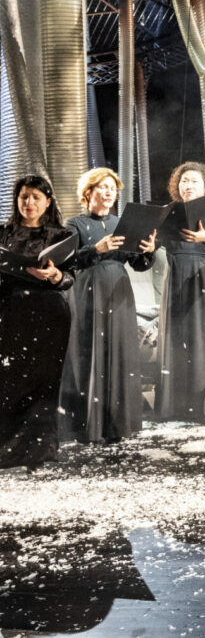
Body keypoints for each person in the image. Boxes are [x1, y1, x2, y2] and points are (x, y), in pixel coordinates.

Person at [60, 167, 156, 443]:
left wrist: (147, 251)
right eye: (102, 187)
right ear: (88, 192)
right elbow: (68, 260)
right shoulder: (74, 224)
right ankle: (89, 426)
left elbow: (138, 264)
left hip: (119, 290)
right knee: (90, 352)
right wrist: (96, 250)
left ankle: (118, 426)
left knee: (120, 352)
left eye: (112, 188)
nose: (109, 192)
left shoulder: (120, 223)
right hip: (88, 291)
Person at [0, 176, 74, 469]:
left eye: (35, 197)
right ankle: (6, 452)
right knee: (7, 382)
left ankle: (39, 453)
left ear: (47, 202)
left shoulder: (60, 236)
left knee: (43, 385)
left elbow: (69, 278)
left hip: (49, 316)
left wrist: (55, 276)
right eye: (24, 197)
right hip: (9, 311)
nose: (29, 203)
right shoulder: (3, 234)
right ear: (16, 200)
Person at [154, 161, 205, 421]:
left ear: (204, 187)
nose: (188, 185)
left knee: (203, 339)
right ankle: (174, 408)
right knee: (175, 338)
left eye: (194, 181)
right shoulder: (168, 213)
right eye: (184, 180)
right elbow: (153, 243)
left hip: (203, 280)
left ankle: (202, 406)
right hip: (176, 278)